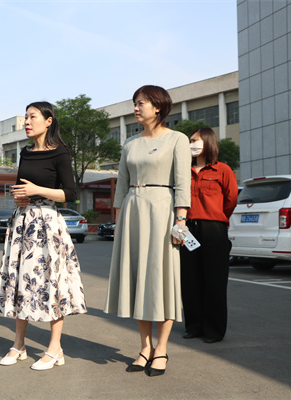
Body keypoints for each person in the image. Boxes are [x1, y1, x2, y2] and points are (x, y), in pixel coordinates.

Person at [0, 101, 87, 371]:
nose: (26, 122)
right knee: (20, 279)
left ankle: (55, 348)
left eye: (32, 117)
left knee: (52, 280)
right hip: (23, 222)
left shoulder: (61, 152)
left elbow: (70, 193)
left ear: (48, 121)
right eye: (25, 117)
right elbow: (22, 187)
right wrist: (20, 197)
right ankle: (18, 345)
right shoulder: (25, 152)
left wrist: (37, 190)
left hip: (47, 222)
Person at [104, 85, 191, 377]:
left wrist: (181, 220)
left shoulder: (177, 139)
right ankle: (145, 347)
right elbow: (121, 185)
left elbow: (183, 183)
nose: (136, 108)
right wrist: (118, 222)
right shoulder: (130, 143)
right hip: (133, 211)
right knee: (138, 279)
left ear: (158, 106)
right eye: (135, 103)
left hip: (163, 210)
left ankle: (162, 349)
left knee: (162, 279)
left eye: (141, 103)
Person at [180, 128, 238, 343]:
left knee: (214, 281)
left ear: (207, 142)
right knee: (190, 279)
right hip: (188, 230)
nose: (191, 144)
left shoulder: (222, 170)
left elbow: (231, 200)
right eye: (190, 140)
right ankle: (193, 326)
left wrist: (216, 218)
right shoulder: (183, 170)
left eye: (194, 140)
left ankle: (214, 329)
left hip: (214, 229)